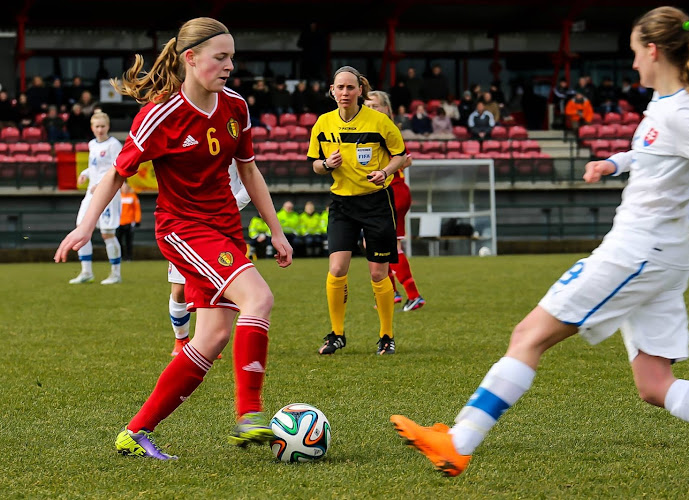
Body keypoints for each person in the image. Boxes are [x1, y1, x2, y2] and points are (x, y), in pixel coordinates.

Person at [391, 6, 689, 477]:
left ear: (653, 50)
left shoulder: (681, 113)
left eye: (635, 53)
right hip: (662, 257)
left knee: (528, 336)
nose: (634, 63)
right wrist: (613, 164)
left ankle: (458, 442)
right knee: (654, 383)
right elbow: (653, 152)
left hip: (637, 252)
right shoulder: (667, 106)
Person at [53, 17, 293, 460]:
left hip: (224, 228)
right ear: (191, 58)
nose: (229, 66)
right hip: (182, 229)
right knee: (258, 299)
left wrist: (275, 230)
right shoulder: (160, 115)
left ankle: (136, 431)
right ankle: (250, 414)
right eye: (220, 57)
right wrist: (85, 226)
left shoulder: (235, 105)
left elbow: (249, 170)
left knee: (213, 336)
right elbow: (115, 176)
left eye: (232, 57)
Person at [307, 66, 407, 355]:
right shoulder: (323, 123)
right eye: (340, 87)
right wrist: (327, 165)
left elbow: (400, 155)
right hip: (342, 204)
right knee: (337, 268)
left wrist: (385, 171)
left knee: (378, 274)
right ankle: (336, 334)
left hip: (376, 202)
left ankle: (386, 336)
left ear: (360, 90)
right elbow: (314, 163)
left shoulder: (379, 121)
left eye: (351, 87)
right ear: (332, 91)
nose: (345, 92)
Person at [169, 160, 251, 358]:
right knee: (180, 290)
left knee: (217, 288)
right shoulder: (184, 142)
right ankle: (181, 340)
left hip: (222, 226)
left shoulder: (232, 138)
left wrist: (228, 206)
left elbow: (250, 184)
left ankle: (206, 341)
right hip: (186, 223)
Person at [364, 90, 426, 312]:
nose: (371, 109)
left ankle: (413, 294)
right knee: (370, 244)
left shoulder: (387, 130)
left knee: (390, 245)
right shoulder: (367, 129)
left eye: (376, 106)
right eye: (367, 105)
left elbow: (405, 160)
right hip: (380, 194)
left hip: (394, 192)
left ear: (387, 109)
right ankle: (392, 294)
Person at [68, 111, 123, 285]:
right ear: (92, 128)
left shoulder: (113, 144)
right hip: (91, 193)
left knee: (107, 233)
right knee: (81, 228)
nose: (100, 130)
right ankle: (86, 272)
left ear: (108, 127)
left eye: (103, 126)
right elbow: (95, 167)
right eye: (97, 126)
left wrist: (101, 184)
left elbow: (119, 168)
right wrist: (85, 174)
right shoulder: (92, 144)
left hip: (108, 193)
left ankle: (115, 273)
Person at [116, 180, 141, 262]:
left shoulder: (133, 196)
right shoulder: (118, 197)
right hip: (119, 223)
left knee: (128, 242)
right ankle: (120, 256)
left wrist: (137, 220)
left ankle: (128, 257)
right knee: (118, 241)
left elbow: (137, 209)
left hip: (129, 222)